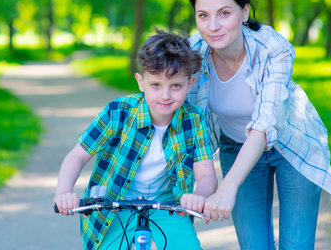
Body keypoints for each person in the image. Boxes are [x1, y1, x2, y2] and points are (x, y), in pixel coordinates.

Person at [186, 0, 331, 249]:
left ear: (245, 12)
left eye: (224, 13)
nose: (213, 26)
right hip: (236, 148)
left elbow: (264, 122)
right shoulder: (193, 53)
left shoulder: (273, 48)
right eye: (203, 15)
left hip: (292, 147)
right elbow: (171, 110)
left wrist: (227, 187)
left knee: (295, 245)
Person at [54, 29, 218, 250]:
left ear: (190, 83)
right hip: (113, 207)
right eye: (156, 85)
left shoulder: (193, 120)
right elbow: (77, 156)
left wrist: (198, 195)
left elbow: (207, 175)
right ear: (141, 82)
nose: (165, 95)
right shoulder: (119, 112)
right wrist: (64, 191)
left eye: (176, 86)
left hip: (168, 207)